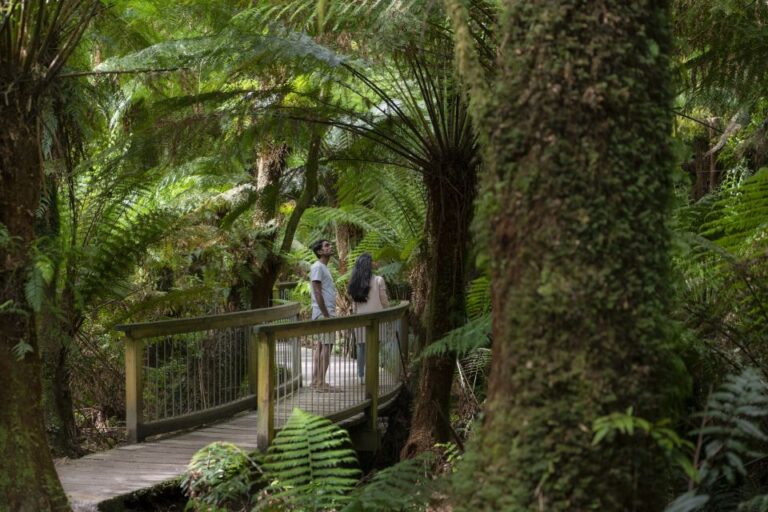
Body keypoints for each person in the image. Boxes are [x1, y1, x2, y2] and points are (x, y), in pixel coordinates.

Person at [347, 252, 389, 383]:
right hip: (377, 318)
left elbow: (354, 305)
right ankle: (373, 375)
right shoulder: (378, 280)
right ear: (368, 265)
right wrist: (388, 309)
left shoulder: (354, 283)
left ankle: (361, 376)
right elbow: (384, 300)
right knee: (374, 347)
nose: (374, 263)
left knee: (361, 347)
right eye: (372, 261)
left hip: (360, 319)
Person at [309, 239, 337, 391]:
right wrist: (326, 314)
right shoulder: (318, 267)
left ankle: (316, 381)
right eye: (326, 245)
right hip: (324, 313)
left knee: (321, 346)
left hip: (324, 312)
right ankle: (320, 383)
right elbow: (317, 291)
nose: (330, 247)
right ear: (319, 251)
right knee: (327, 346)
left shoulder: (323, 267)